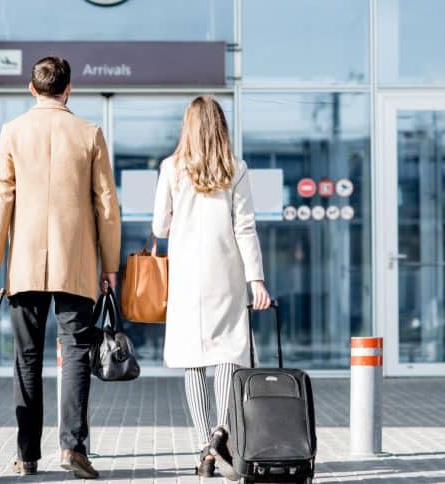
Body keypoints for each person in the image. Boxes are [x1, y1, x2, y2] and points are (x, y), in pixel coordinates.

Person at [0, 56, 120, 479]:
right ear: (69, 89)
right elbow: (107, 207)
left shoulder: (13, 132)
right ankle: (73, 449)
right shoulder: (89, 133)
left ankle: (26, 456)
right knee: (76, 353)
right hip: (75, 261)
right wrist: (110, 265)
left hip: (23, 263)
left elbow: (1, 199)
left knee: (26, 358)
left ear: (31, 88)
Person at [151, 95, 271, 479]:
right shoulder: (235, 168)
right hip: (226, 272)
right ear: (220, 127)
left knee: (193, 359)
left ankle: (205, 449)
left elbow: (159, 227)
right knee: (226, 354)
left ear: (188, 127)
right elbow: (245, 227)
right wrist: (257, 280)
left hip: (187, 277)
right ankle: (222, 434)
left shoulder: (171, 168)